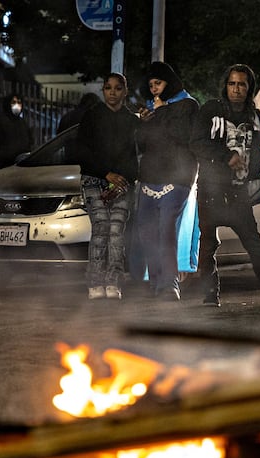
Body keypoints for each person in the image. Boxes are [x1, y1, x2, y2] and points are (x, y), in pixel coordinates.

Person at [189, 64, 260, 308]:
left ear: (249, 88)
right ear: (225, 86)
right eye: (232, 83)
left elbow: (254, 150)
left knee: (254, 244)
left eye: (242, 84)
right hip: (211, 189)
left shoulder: (253, 115)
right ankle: (210, 294)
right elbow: (196, 143)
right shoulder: (211, 110)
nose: (236, 89)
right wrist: (226, 156)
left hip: (238, 191)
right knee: (208, 244)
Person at [134, 62, 199, 301]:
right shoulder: (152, 108)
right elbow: (143, 144)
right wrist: (143, 123)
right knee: (147, 231)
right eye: (151, 84)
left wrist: (161, 112)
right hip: (150, 177)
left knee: (166, 228)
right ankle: (156, 282)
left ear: (169, 83)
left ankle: (170, 284)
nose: (154, 88)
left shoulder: (188, 105)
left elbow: (183, 135)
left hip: (177, 177)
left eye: (158, 83)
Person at [76, 72, 139, 300]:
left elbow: (135, 156)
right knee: (101, 227)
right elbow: (81, 151)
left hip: (122, 182)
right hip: (94, 179)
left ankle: (114, 282)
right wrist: (106, 173)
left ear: (125, 91)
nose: (112, 92)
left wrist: (121, 178)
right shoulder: (91, 116)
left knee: (116, 231)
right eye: (108, 88)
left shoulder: (132, 120)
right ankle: (95, 282)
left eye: (118, 88)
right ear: (103, 90)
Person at [0, 93, 33, 171]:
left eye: (19, 102)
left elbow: (30, 140)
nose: (17, 105)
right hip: (2, 165)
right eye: (13, 102)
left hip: (20, 164)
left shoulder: (22, 123)